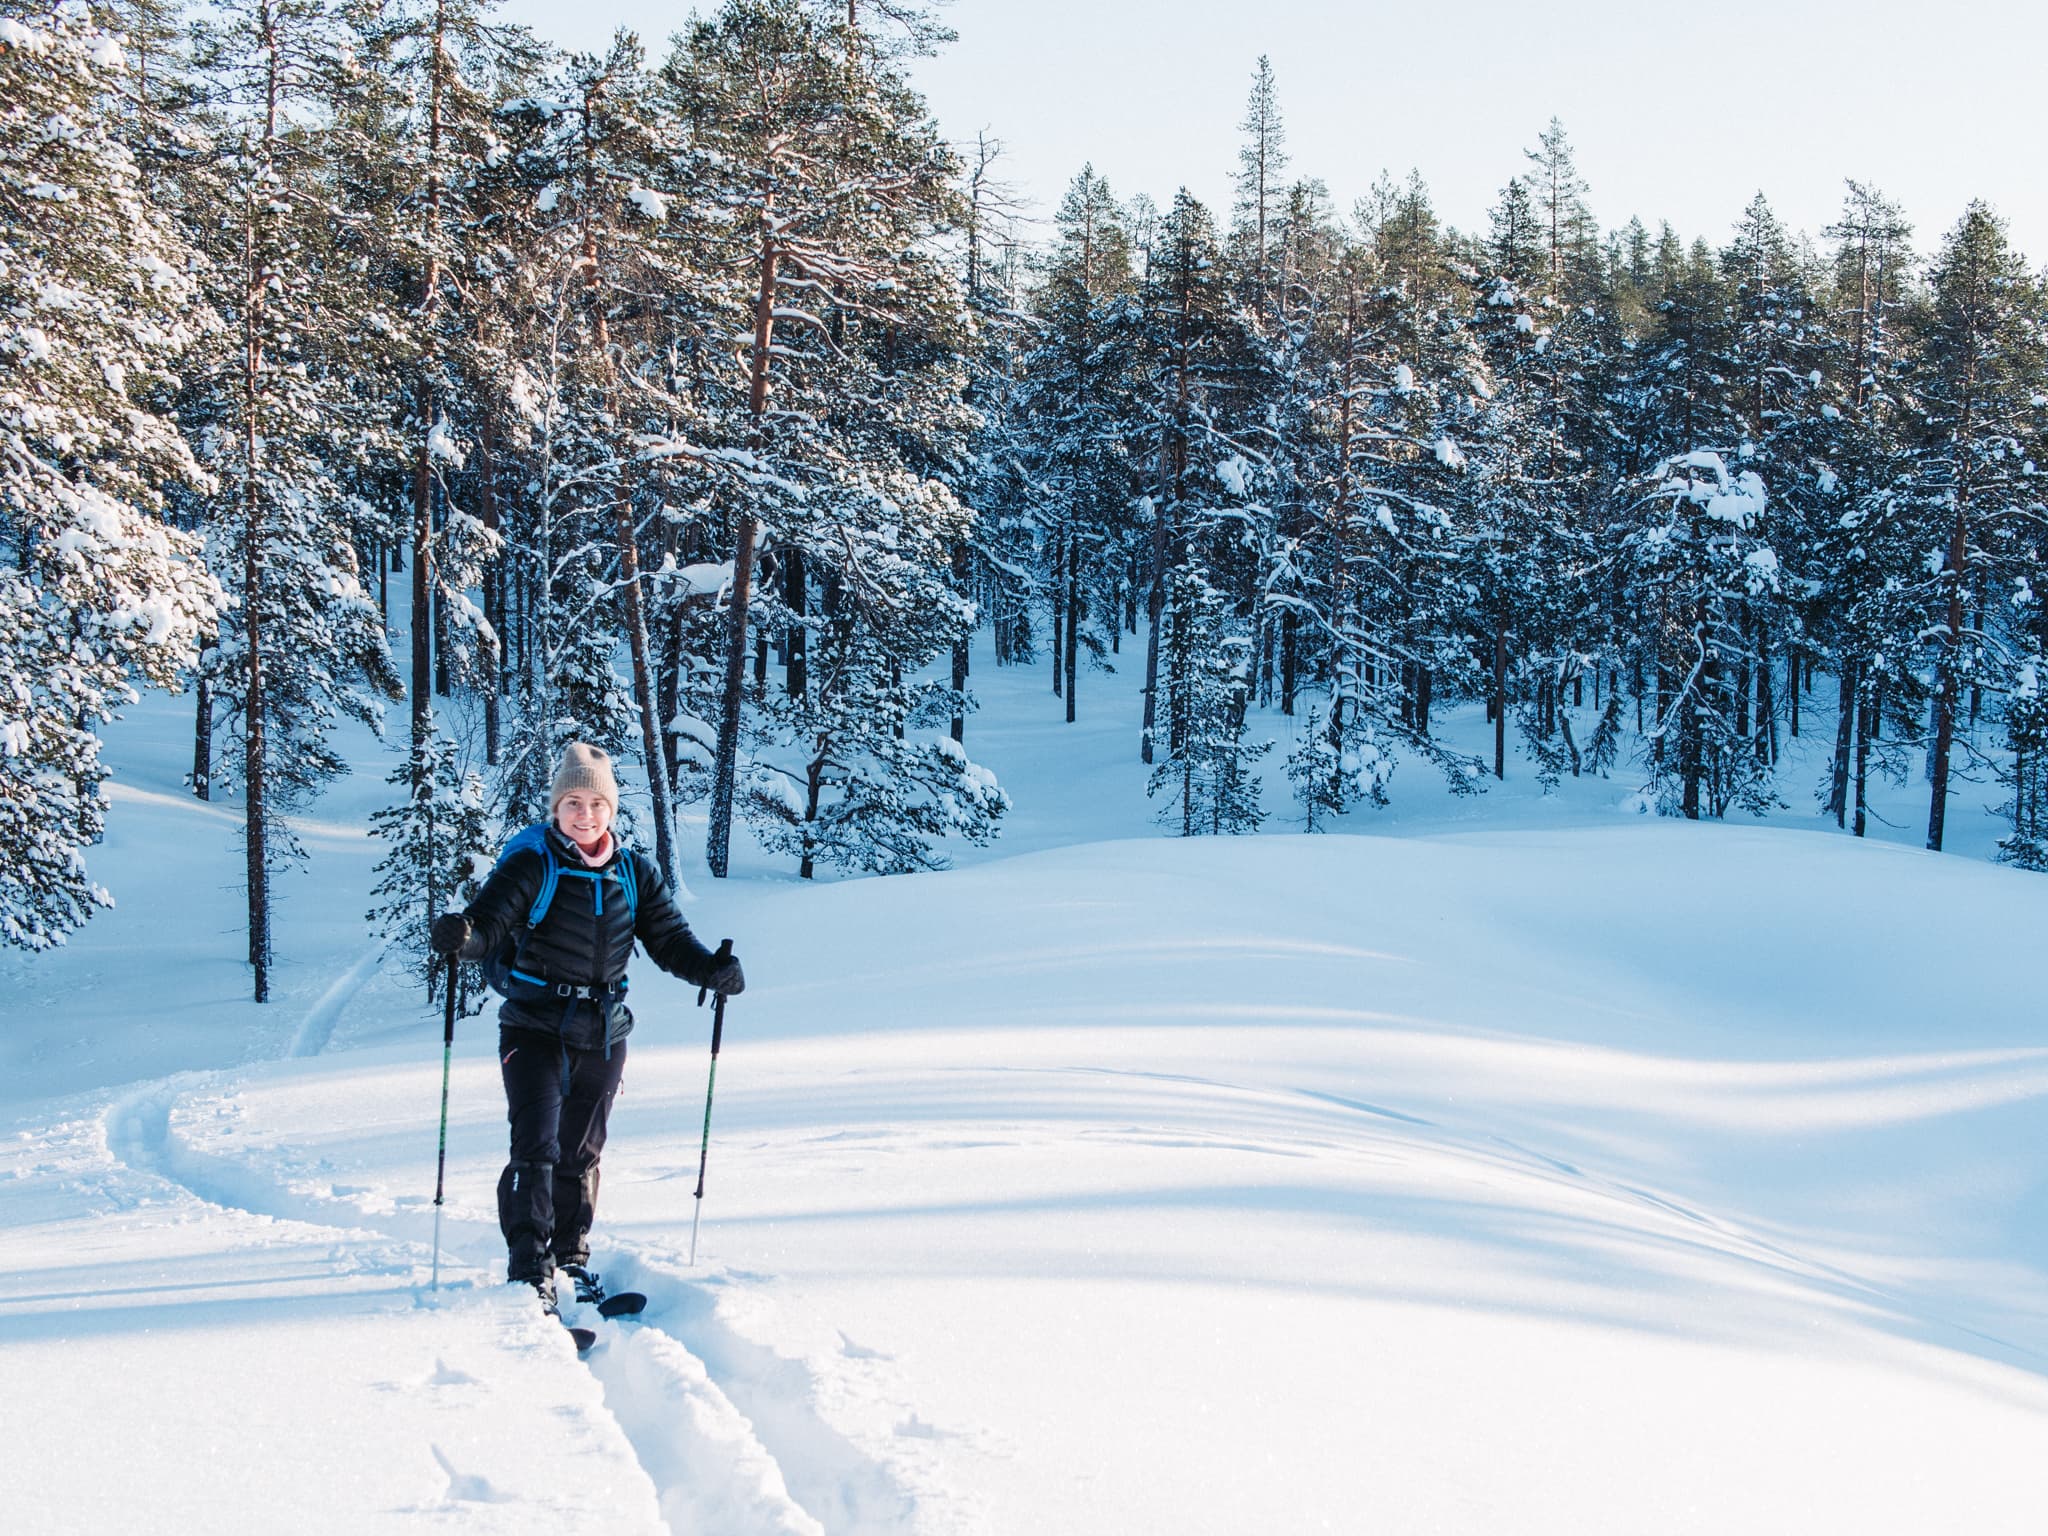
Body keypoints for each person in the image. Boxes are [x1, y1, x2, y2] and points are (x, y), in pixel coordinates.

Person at [428, 742, 744, 1310]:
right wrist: (465, 938)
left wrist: (714, 971)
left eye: (595, 802)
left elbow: (669, 941)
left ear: (611, 809)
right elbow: (490, 926)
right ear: (556, 808)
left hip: (603, 1032)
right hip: (533, 1027)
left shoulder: (633, 873)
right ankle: (529, 1269)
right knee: (537, 1147)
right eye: (572, 801)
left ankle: (571, 1261)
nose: (585, 814)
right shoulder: (534, 864)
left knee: (581, 1152)